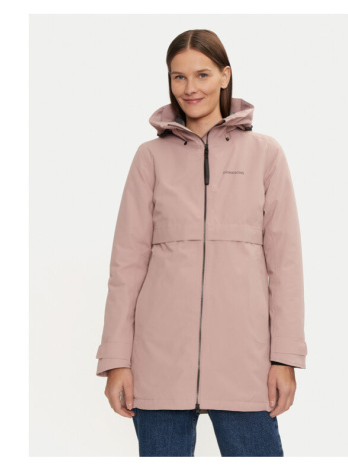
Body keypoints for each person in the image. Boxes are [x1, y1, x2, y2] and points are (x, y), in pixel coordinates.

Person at [95, 29, 308, 457]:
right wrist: (116, 360)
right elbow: (126, 266)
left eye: (202, 74)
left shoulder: (265, 154)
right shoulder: (150, 158)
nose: (190, 88)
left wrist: (284, 357)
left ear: (225, 76)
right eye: (179, 77)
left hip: (245, 360)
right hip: (159, 361)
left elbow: (285, 265)